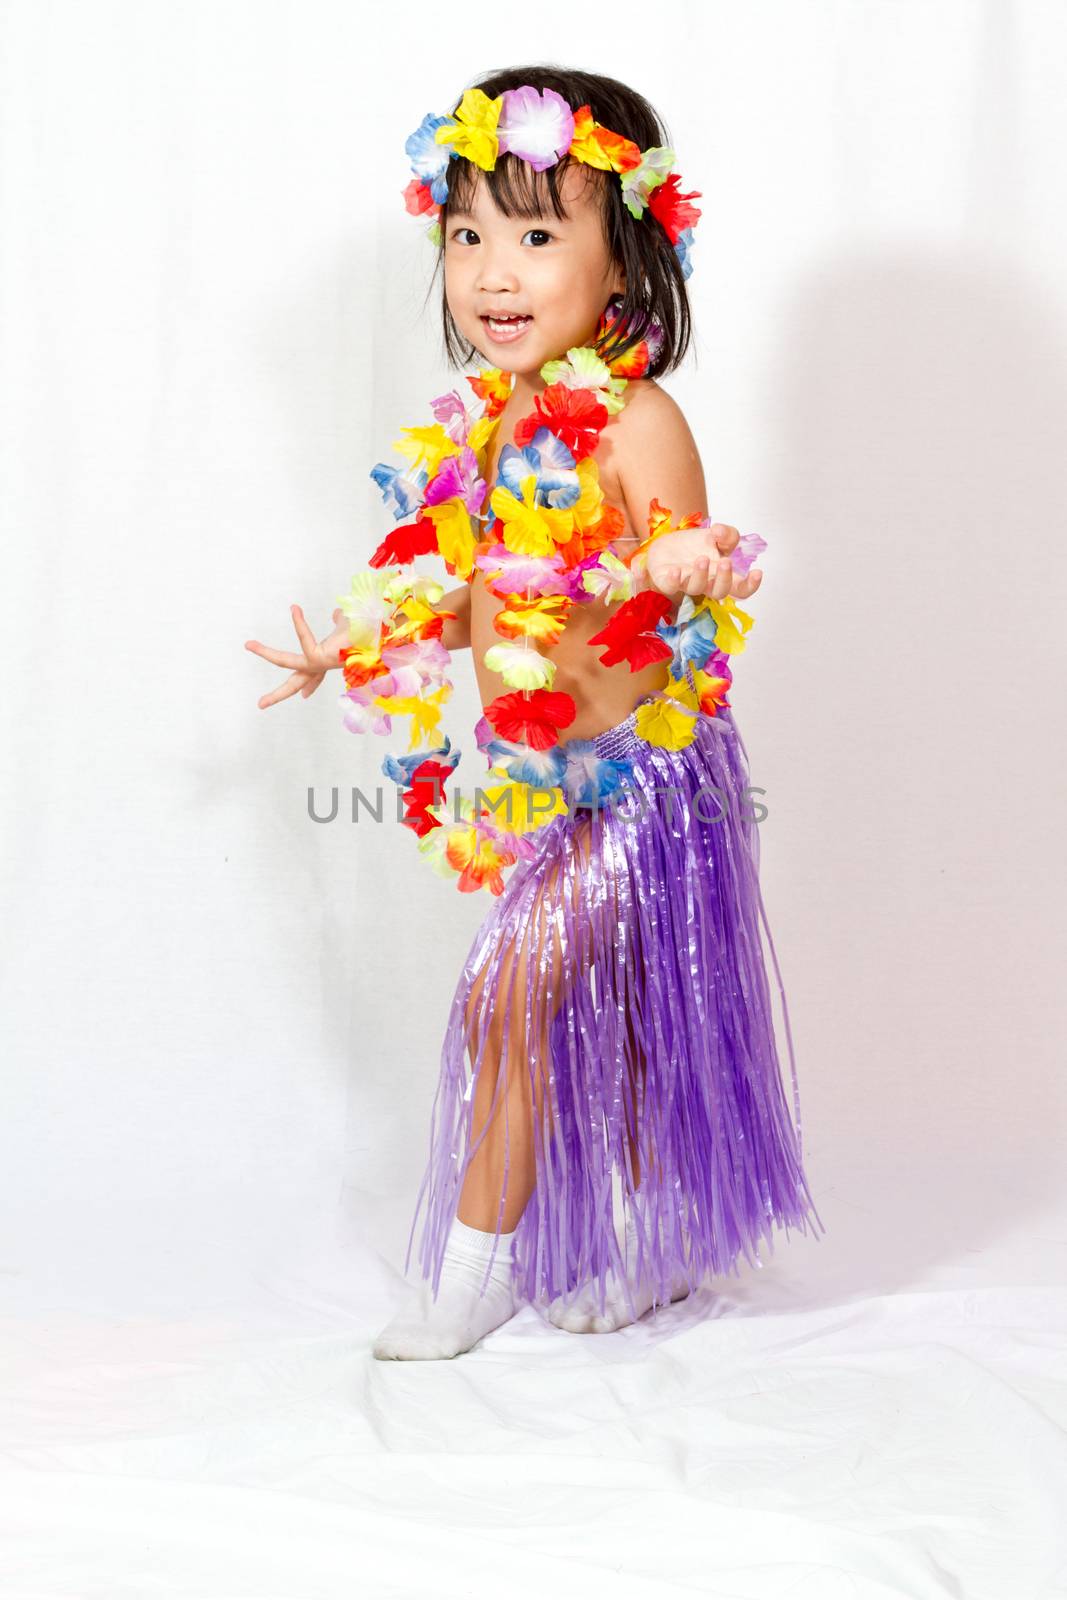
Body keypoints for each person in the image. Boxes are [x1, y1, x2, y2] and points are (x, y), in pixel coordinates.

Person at [246, 65, 824, 1361]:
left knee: (507, 995)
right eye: (468, 235)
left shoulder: (637, 420)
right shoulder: (499, 429)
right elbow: (493, 600)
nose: (494, 270)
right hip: (550, 781)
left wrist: (682, 566)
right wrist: (359, 640)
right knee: (607, 1017)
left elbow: (682, 579)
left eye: (537, 232)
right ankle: (656, 1236)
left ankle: (473, 1271)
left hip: (645, 779)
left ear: (623, 261)